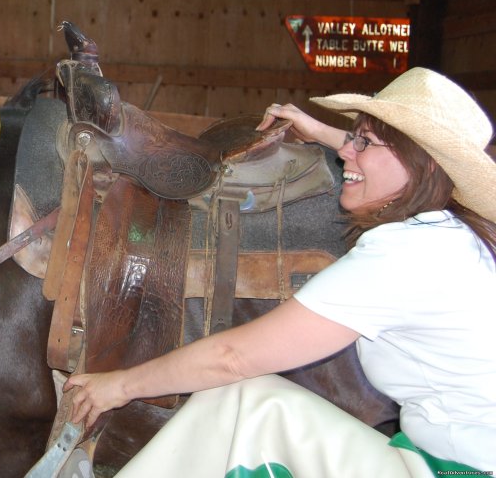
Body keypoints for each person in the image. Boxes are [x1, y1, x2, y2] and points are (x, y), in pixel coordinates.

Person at [65, 67, 496, 476]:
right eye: (353, 138)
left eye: (363, 142)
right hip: (447, 459)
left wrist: (118, 386)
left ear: (426, 165)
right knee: (248, 397)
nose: (346, 150)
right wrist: (326, 135)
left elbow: (233, 357)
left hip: (454, 471)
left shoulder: (408, 254)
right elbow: (392, 156)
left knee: (251, 401)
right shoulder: (453, 236)